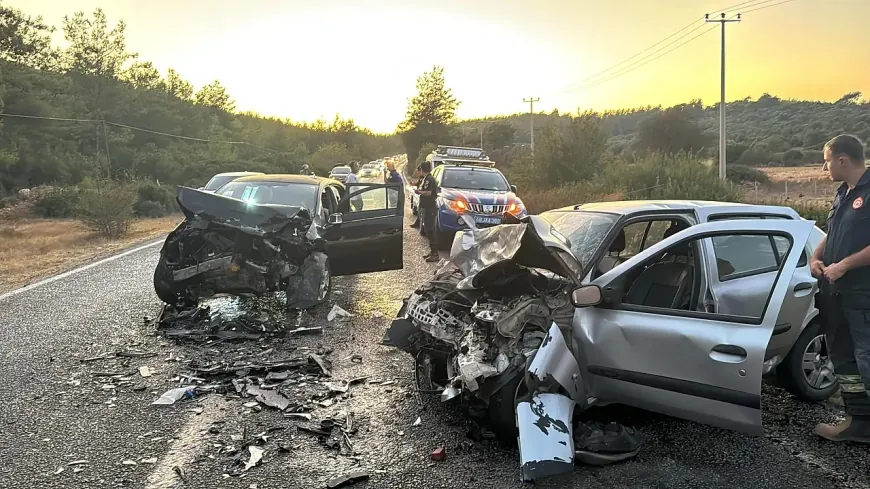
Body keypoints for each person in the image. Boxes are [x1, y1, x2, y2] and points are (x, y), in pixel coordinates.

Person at [810, 134, 870, 443]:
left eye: (827, 160)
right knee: (845, 360)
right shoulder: (842, 193)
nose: (825, 167)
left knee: (866, 357)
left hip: (862, 295)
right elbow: (833, 231)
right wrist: (816, 256)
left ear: (842, 160)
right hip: (836, 295)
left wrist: (844, 265)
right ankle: (858, 423)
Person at [415, 161, 440, 262]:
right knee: (428, 229)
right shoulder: (426, 178)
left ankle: (435, 253)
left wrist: (418, 192)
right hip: (427, 207)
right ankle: (432, 251)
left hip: (430, 207)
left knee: (430, 230)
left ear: (422, 168)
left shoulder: (429, 179)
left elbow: (429, 193)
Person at [410, 166, 423, 230]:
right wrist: (413, 183)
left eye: (418, 171)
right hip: (419, 194)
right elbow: (418, 184)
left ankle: (419, 224)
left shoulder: (425, 178)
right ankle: (417, 223)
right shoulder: (421, 177)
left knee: (420, 210)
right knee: (419, 209)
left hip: (422, 195)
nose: (417, 173)